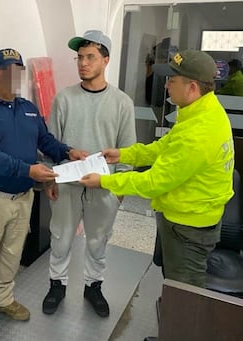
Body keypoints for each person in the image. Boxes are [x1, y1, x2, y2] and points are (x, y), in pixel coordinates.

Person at [0, 48, 87, 341]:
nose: (14, 77)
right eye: (7, 71)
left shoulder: (28, 108)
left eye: (19, 71)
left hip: (22, 199)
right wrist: (29, 171)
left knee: (11, 256)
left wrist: (68, 152)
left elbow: (46, 140)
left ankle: (0, 300)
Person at [80, 49, 234, 289]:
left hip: (189, 227)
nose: (166, 87)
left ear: (192, 87)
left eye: (172, 82)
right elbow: (165, 147)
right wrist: (124, 154)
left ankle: (180, 326)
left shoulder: (200, 131)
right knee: (174, 283)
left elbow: (154, 182)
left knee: (185, 294)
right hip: (181, 215)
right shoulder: (200, 111)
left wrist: (105, 181)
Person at [42, 30, 136, 317]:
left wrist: (119, 191)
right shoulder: (64, 99)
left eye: (90, 57)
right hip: (67, 184)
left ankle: (93, 286)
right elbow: (51, 142)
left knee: (98, 239)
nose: (83, 63)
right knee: (60, 237)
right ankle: (57, 284)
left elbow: (128, 150)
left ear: (105, 60)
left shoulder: (122, 103)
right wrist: (50, 177)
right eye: (79, 57)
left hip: (104, 186)